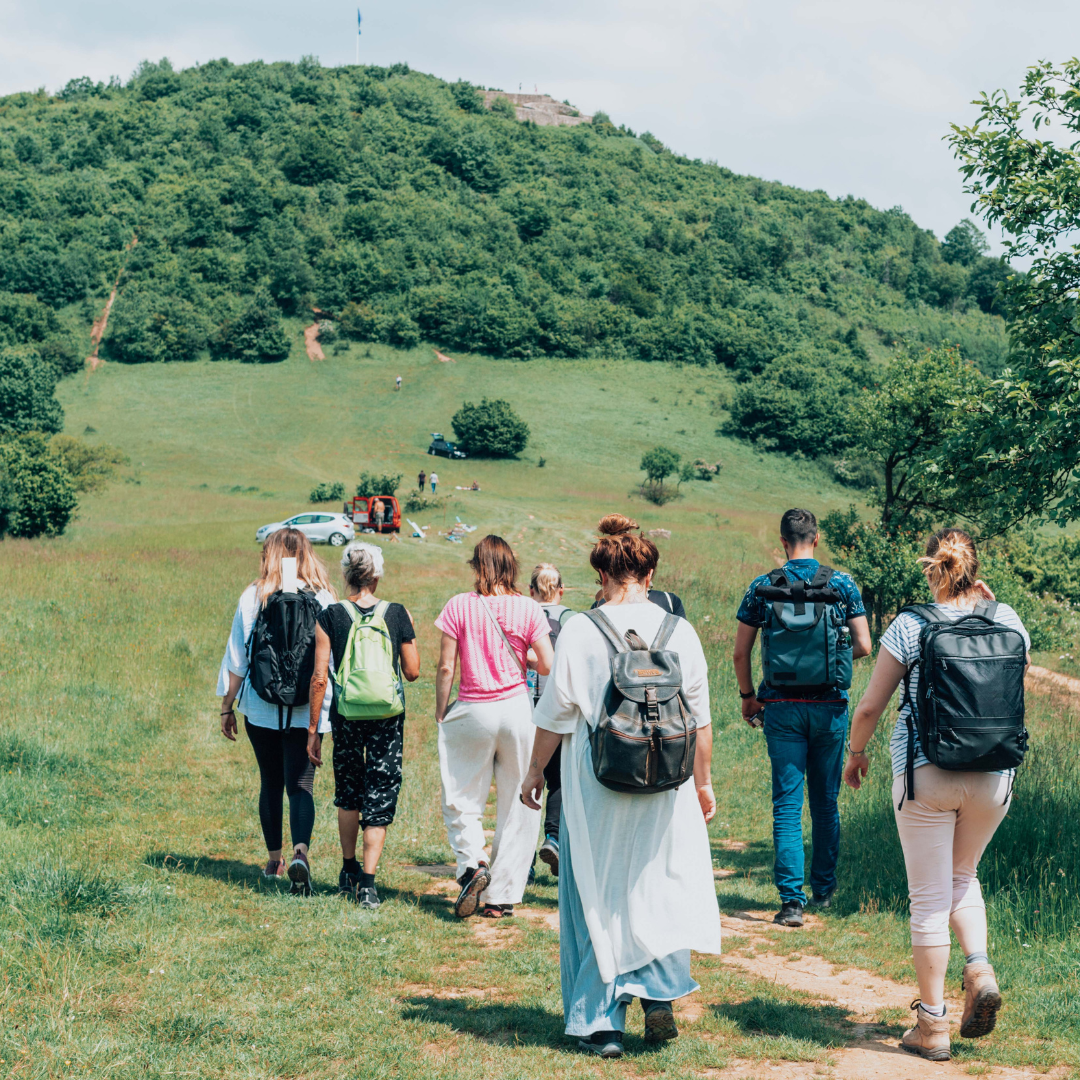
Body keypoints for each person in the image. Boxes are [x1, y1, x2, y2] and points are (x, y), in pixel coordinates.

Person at [521, 514, 721, 1059]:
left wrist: (535, 772)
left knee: (597, 891)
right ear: (649, 575)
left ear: (602, 575)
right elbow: (700, 721)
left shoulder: (582, 629)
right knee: (657, 884)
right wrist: (702, 784)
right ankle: (657, 994)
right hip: (668, 781)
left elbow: (555, 714)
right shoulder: (680, 631)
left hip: (600, 780)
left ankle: (602, 1024)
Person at [843, 528, 1028, 1061]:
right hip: (995, 775)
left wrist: (857, 754)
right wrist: (990, 610)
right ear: (977, 569)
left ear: (932, 569)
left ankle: (933, 1025)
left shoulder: (911, 624)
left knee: (927, 897)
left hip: (927, 773)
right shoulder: (1008, 619)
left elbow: (871, 707)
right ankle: (979, 967)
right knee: (963, 875)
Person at [732, 508, 871, 926]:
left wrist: (748, 697)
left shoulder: (763, 586)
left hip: (781, 708)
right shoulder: (841, 583)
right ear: (816, 538)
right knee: (825, 803)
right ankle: (824, 892)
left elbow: (740, 652)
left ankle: (792, 903)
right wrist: (830, 659)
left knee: (787, 805)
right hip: (829, 707)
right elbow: (864, 645)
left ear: (782, 542)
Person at [434, 535, 555, 919]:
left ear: (477, 566)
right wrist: (524, 656)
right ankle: (500, 897)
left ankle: (473, 864)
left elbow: (446, 667)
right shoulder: (529, 608)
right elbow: (548, 664)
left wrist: (441, 711)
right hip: (517, 709)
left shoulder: (459, 605)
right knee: (520, 801)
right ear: (511, 568)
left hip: (474, 706)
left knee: (462, 794)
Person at [218, 529, 335, 893]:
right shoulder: (324, 597)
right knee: (301, 784)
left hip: (261, 707)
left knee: (270, 782)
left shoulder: (254, 596)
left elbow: (238, 659)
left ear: (269, 554)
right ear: (307, 554)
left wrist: (226, 706)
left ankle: (274, 860)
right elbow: (328, 663)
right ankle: (301, 853)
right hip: (306, 710)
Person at [306, 542, 419, 910]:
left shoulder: (330, 615)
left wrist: (313, 730)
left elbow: (319, 677)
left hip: (346, 715)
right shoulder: (397, 613)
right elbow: (414, 672)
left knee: (349, 789)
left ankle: (347, 870)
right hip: (387, 718)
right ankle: (368, 885)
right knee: (380, 792)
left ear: (346, 575)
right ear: (377, 575)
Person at [528, 563, 574, 876]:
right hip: (558, 707)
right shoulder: (572, 618)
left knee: (527, 781)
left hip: (527, 705)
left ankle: (523, 861)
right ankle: (554, 838)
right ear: (561, 591)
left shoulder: (524, 615)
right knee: (557, 778)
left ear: (531, 590)